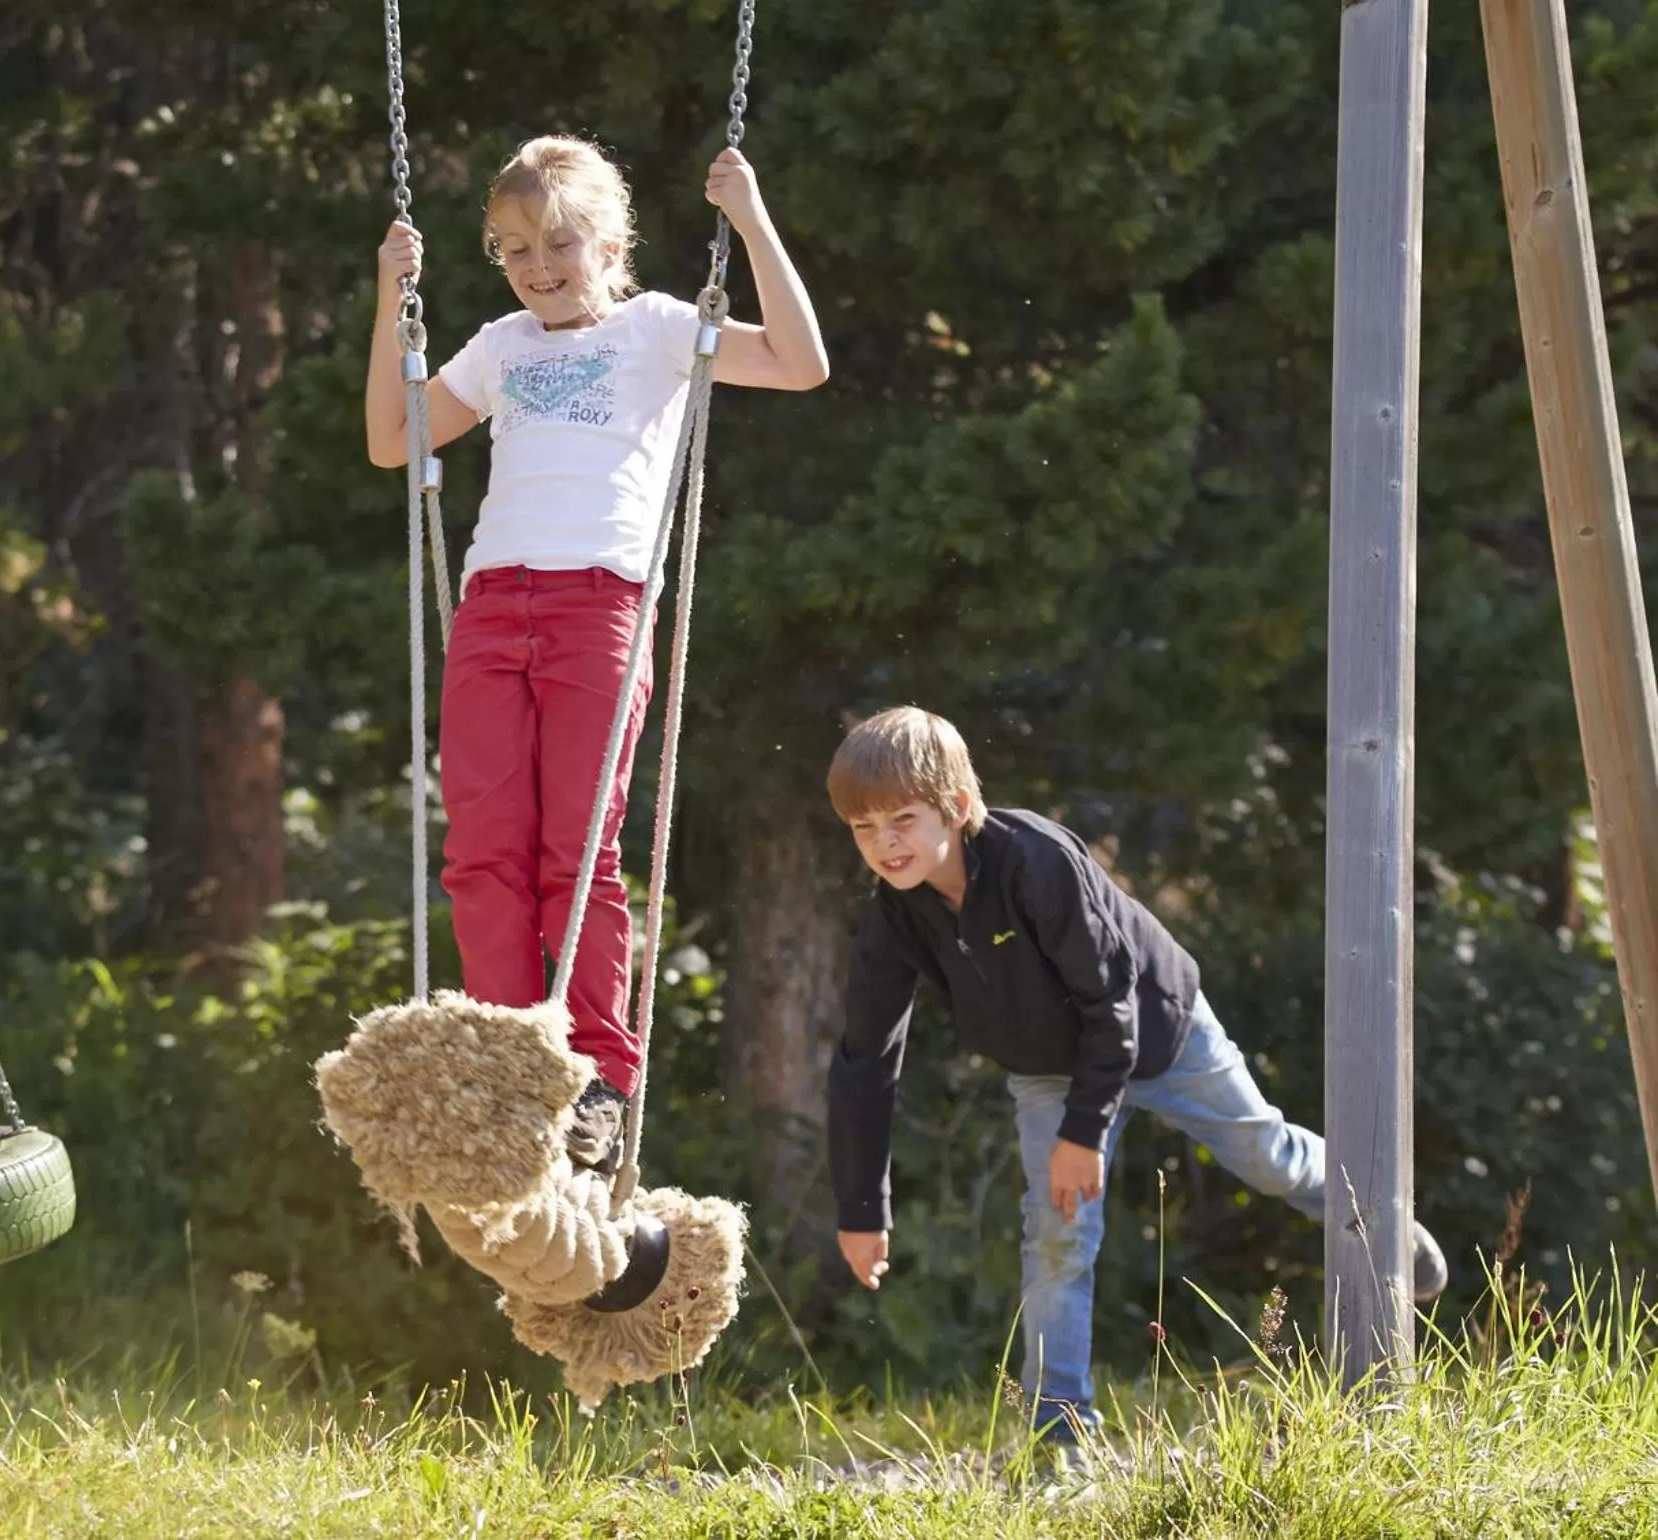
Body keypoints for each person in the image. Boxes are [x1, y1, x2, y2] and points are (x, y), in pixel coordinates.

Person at [366, 135, 828, 1168]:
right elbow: (394, 440)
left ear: (609, 240)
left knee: (575, 853)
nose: (538, 265)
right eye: (514, 246)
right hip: (493, 606)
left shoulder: (659, 328)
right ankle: (502, 1065)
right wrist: (387, 299)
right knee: (482, 851)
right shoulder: (499, 346)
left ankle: (595, 1075)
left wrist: (750, 221)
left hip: (599, 608)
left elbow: (801, 365)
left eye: (559, 242)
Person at [823, 705, 1448, 1454]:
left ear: (957, 808)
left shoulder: (1038, 865)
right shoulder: (894, 918)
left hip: (1159, 1032)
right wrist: (862, 1207)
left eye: (902, 819)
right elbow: (866, 1057)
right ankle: (1059, 1437)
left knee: (1267, 1155)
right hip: (1048, 1071)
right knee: (1056, 1240)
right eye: (864, 829)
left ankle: (1384, 1225)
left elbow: (1110, 998)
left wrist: (1083, 1134)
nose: (885, 844)